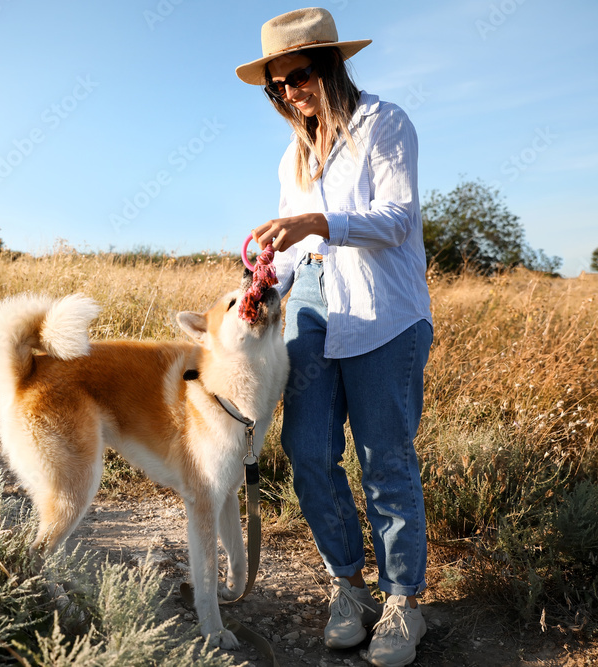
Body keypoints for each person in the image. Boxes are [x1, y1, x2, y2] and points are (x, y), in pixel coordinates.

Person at [235, 8, 434, 667]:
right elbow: (291, 251)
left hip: (385, 308)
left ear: (331, 65)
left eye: (299, 74)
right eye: (277, 85)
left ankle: (404, 599)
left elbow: (398, 219)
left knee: (385, 457)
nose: (291, 92)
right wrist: (261, 279)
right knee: (308, 448)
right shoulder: (292, 157)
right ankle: (348, 586)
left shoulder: (386, 123)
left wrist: (321, 219)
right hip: (315, 303)